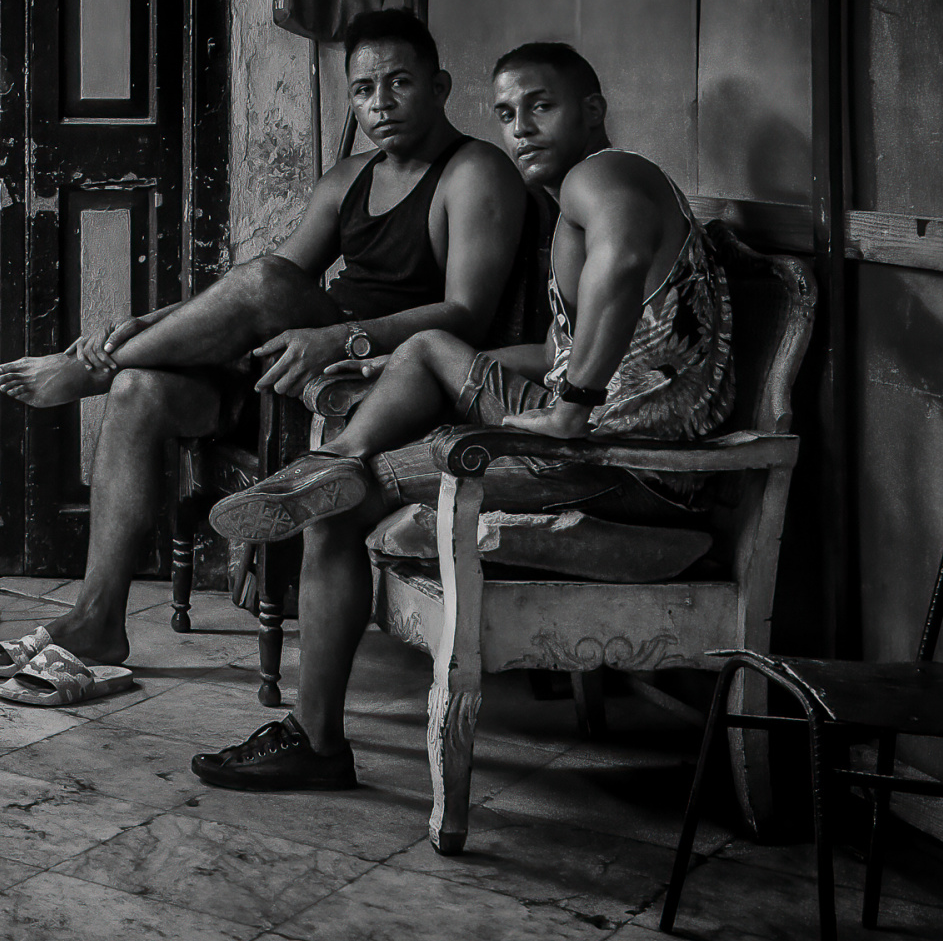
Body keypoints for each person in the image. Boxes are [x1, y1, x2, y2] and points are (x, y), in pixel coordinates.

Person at [198, 40, 734, 790]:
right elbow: (557, 349)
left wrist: (571, 408)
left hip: (626, 459)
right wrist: (390, 364)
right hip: (597, 435)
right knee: (423, 349)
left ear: (592, 111)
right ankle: (330, 462)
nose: (521, 129)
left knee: (340, 511)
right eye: (507, 114)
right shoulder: (580, 201)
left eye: (541, 107)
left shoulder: (606, 175)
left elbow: (620, 265)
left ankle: (316, 741)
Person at [0, 10, 528, 690]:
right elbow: (255, 287)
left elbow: (466, 313)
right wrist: (146, 321)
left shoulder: (474, 171)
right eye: (363, 89)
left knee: (266, 283)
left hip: (373, 379)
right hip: (292, 365)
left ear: (439, 87)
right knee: (138, 390)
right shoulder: (349, 178)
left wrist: (339, 336)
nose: (380, 103)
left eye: (399, 83)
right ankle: (97, 618)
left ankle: (90, 370)